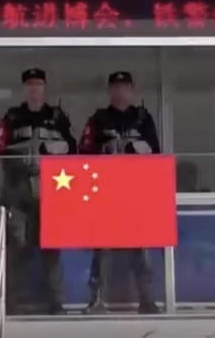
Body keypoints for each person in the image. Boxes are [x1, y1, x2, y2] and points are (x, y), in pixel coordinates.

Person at [0, 68, 76, 315]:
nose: (34, 89)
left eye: (38, 84)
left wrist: (50, 150)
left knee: (51, 248)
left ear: (44, 88)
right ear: (24, 89)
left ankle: (55, 302)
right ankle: (9, 302)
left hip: (50, 189)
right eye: (30, 85)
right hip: (17, 189)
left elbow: (72, 150)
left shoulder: (58, 117)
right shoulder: (12, 117)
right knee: (15, 246)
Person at [79, 70, 161, 314]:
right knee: (102, 248)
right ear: (109, 91)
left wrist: (139, 150)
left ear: (132, 90)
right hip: (105, 192)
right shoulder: (98, 120)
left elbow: (157, 155)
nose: (120, 91)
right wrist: (105, 151)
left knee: (140, 247)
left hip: (135, 193)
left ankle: (146, 299)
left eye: (124, 86)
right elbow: (82, 153)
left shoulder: (144, 119)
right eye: (115, 87)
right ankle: (97, 299)